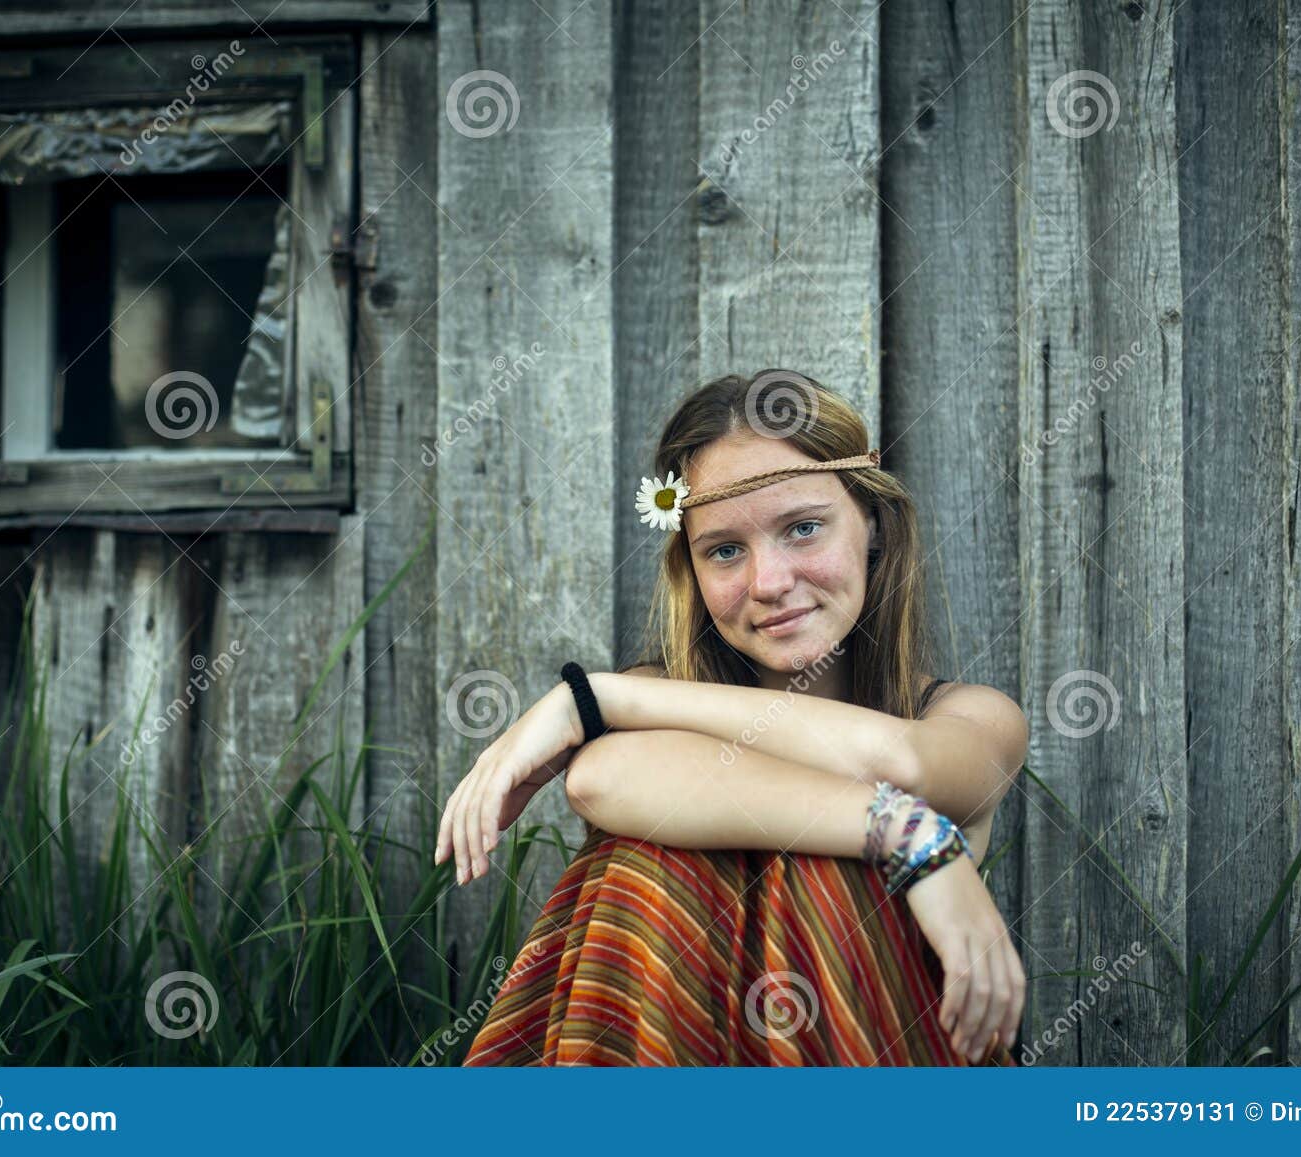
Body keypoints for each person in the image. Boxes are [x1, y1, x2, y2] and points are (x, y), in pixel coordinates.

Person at [434, 369, 1028, 1066]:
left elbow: (909, 763)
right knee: (645, 863)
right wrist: (909, 834)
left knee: (815, 876)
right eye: (724, 549)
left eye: (803, 528)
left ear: (872, 524)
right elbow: (600, 775)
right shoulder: (660, 707)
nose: (769, 582)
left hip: (869, 1043)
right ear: (690, 565)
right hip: (687, 1042)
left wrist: (593, 699)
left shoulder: (969, 715)